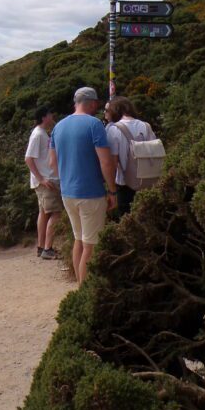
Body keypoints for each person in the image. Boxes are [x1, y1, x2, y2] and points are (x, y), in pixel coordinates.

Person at [49, 86, 116, 283]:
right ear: (93, 103)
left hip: (68, 193)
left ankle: (79, 286)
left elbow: (53, 165)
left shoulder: (58, 127)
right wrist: (112, 190)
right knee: (91, 245)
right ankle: (84, 293)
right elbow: (106, 162)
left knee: (79, 240)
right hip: (90, 193)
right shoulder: (94, 124)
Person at [104, 97, 157, 216]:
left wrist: (111, 189)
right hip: (149, 180)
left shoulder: (113, 130)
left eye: (108, 111)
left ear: (115, 110)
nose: (106, 114)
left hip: (125, 183)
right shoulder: (146, 126)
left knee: (128, 219)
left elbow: (113, 162)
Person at [25, 106, 62, 260]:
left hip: (44, 180)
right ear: (43, 117)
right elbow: (28, 158)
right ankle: (47, 248)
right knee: (56, 213)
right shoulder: (38, 135)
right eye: (49, 114)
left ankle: (42, 247)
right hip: (46, 181)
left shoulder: (41, 134)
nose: (52, 116)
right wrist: (41, 178)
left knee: (44, 213)